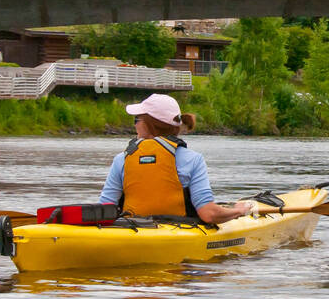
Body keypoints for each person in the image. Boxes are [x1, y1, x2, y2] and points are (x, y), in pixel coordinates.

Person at [99, 93, 254, 223]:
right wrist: (237, 211)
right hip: (178, 233)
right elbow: (209, 214)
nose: (135, 125)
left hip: (131, 232)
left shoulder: (122, 159)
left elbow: (104, 209)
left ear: (149, 124)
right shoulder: (193, 159)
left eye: (136, 120)